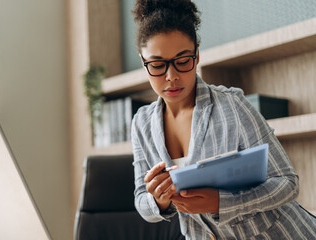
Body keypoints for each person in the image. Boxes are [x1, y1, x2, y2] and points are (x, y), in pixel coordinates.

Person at [130, 0, 316, 239]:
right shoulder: (141, 124)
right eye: (157, 64)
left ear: (197, 55)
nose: (171, 76)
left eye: (183, 60)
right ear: (143, 62)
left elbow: (287, 183)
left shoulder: (232, 105)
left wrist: (222, 203)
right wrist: (158, 200)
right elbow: (141, 200)